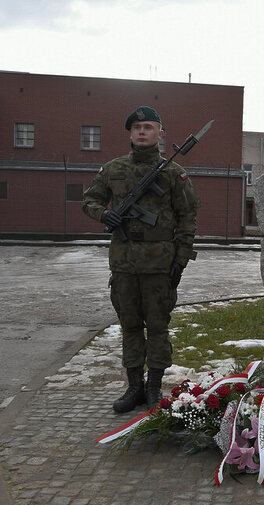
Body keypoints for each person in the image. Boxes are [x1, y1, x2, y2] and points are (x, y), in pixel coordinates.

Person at [83, 105, 199, 413]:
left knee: (158, 326)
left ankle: (153, 387)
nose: (142, 132)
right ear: (130, 133)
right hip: (123, 263)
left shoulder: (174, 174)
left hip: (160, 264)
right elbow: (90, 199)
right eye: (137, 127)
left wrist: (181, 259)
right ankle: (133, 386)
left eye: (149, 127)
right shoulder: (112, 169)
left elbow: (188, 218)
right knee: (130, 325)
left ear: (160, 134)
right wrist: (103, 213)